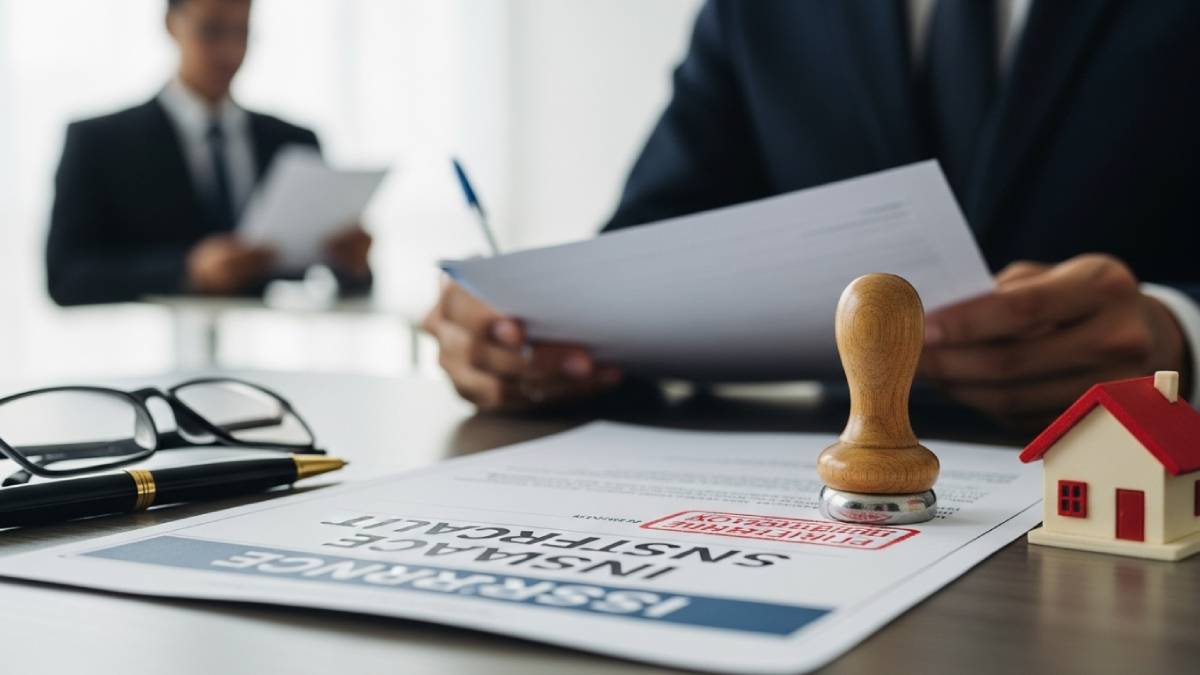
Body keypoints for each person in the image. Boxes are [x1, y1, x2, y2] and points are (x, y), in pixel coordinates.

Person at [422, 0, 1200, 429]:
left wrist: (1180, 342)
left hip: (1137, 479)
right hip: (835, 511)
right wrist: (533, 334)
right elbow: (655, 245)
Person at [46, 0, 372, 306]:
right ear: (171, 25)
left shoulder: (293, 141)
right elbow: (65, 277)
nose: (229, 52)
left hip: (270, 350)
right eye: (212, 30)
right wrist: (188, 271)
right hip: (152, 351)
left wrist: (353, 265)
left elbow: (333, 282)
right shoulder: (99, 142)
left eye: (241, 32)